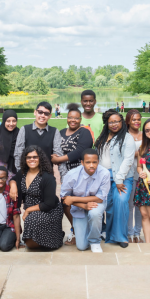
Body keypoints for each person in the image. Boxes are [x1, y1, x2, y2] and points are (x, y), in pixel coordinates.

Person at [51, 104, 94, 245]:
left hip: (82, 174)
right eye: (70, 117)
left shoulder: (84, 131)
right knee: (66, 202)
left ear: (80, 119)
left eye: (76, 118)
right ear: (67, 118)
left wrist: (59, 159)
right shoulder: (61, 132)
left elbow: (81, 151)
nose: (73, 120)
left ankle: (89, 230)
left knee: (81, 201)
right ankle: (76, 230)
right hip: (66, 174)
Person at [9, 146, 64, 250]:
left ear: (40, 158)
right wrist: (13, 185)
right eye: (28, 157)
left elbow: (49, 204)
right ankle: (48, 238)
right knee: (30, 243)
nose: (32, 159)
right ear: (25, 159)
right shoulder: (23, 173)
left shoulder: (48, 177)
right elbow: (12, 179)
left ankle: (53, 239)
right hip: (33, 213)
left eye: (35, 157)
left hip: (50, 210)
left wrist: (28, 210)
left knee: (31, 223)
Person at [94, 110, 136, 248]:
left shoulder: (127, 138)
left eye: (117, 121)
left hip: (122, 178)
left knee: (121, 202)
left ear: (122, 122)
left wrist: (119, 180)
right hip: (104, 177)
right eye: (111, 122)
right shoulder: (103, 136)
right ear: (107, 123)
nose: (114, 124)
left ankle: (121, 237)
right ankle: (111, 236)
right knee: (110, 207)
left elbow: (128, 160)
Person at [60, 149, 110, 252]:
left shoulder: (104, 173)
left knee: (94, 214)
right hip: (78, 207)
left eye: (94, 162)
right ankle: (89, 229)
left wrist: (73, 198)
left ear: (98, 162)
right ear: (82, 162)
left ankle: (95, 241)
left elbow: (100, 198)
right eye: (88, 162)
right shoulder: (71, 175)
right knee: (81, 247)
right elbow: (65, 199)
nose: (91, 165)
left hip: (97, 203)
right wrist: (83, 206)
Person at [14, 102, 66, 178]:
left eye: (46, 113)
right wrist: (21, 175)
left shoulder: (54, 132)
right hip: (28, 175)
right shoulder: (24, 129)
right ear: (35, 112)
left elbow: (59, 155)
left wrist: (63, 179)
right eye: (40, 112)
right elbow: (18, 154)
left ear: (50, 116)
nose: (42, 115)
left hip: (47, 176)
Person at [126, 110, 143, 243]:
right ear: (128, 121)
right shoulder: (124, 136)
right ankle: (129, 233)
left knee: (140, 205)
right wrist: (138, 153)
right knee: (130, 204)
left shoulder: (145, 134)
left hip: (143, 173)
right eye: (134, 120)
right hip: (129, 173)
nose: (137, 122)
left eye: (138, 119)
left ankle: (137, 233)